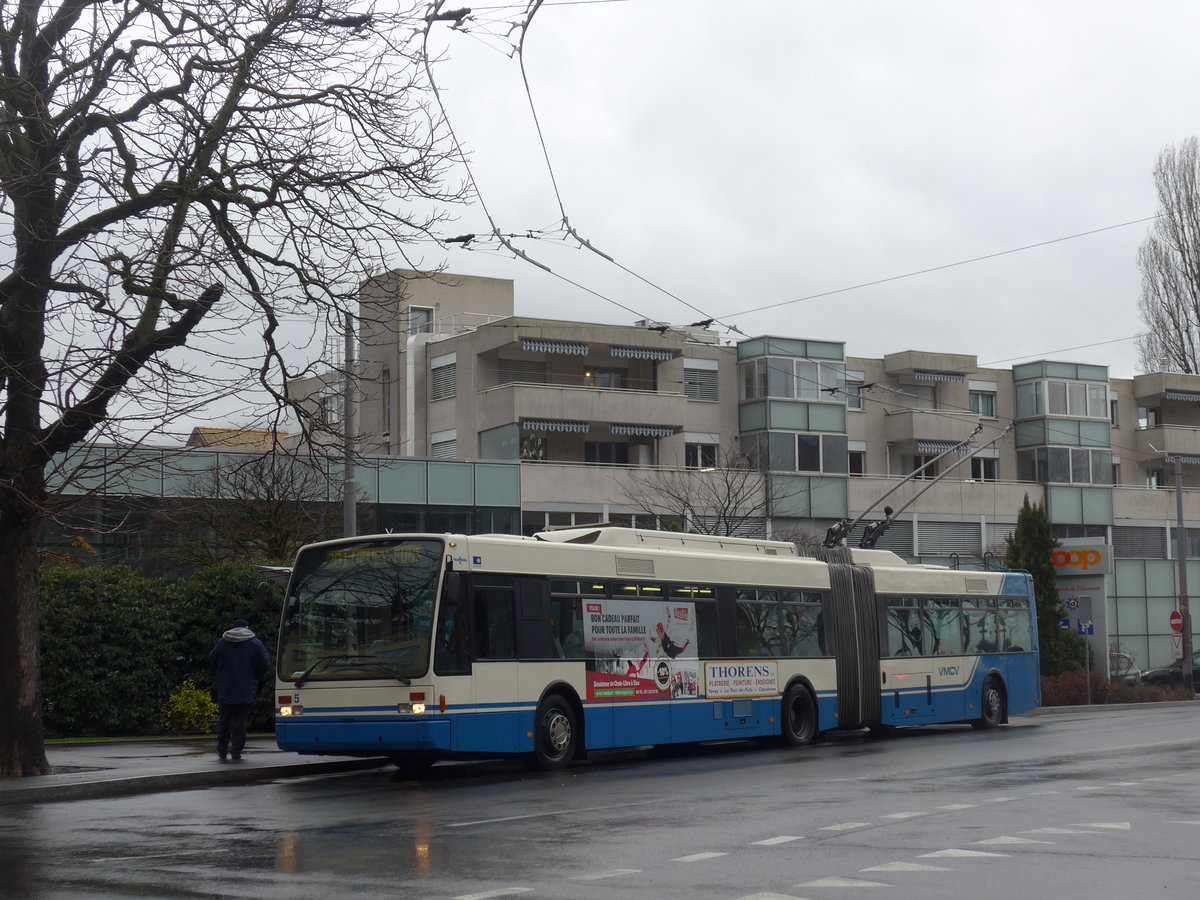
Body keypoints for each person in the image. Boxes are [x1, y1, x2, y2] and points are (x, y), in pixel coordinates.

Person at [209, 618, 270, 761]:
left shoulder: (222, 642)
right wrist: (255, 676)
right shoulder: (255, 643)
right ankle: (236, 752)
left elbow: (212, 659)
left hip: (226, 687)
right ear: (246, 627)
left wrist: (221, 674)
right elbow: (264, 663)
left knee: (224, 721)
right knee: (240, 722)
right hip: (246, 688)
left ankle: (222, 751)